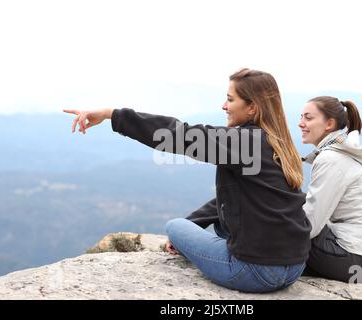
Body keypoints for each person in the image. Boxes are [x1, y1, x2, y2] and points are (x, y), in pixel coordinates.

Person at [63, 68, 311, 293]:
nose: (224, 106)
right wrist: (195, 222)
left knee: (175, 227)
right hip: (294, 267)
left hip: (254, 272)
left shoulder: (244, 142)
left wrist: (111, 115)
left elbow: (178, 134)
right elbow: (235, 197)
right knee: (197, 226)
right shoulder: (278, 143)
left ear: (252, 108)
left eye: (231, 99)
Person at [298, 96, 362, 283]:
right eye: (301, 117)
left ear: (329, 124)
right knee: (291, 203)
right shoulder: (340, 152)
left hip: (356, 259)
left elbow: (310, 227)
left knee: (280, 216)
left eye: (308, 118)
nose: (301, 124)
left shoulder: (331, 158)